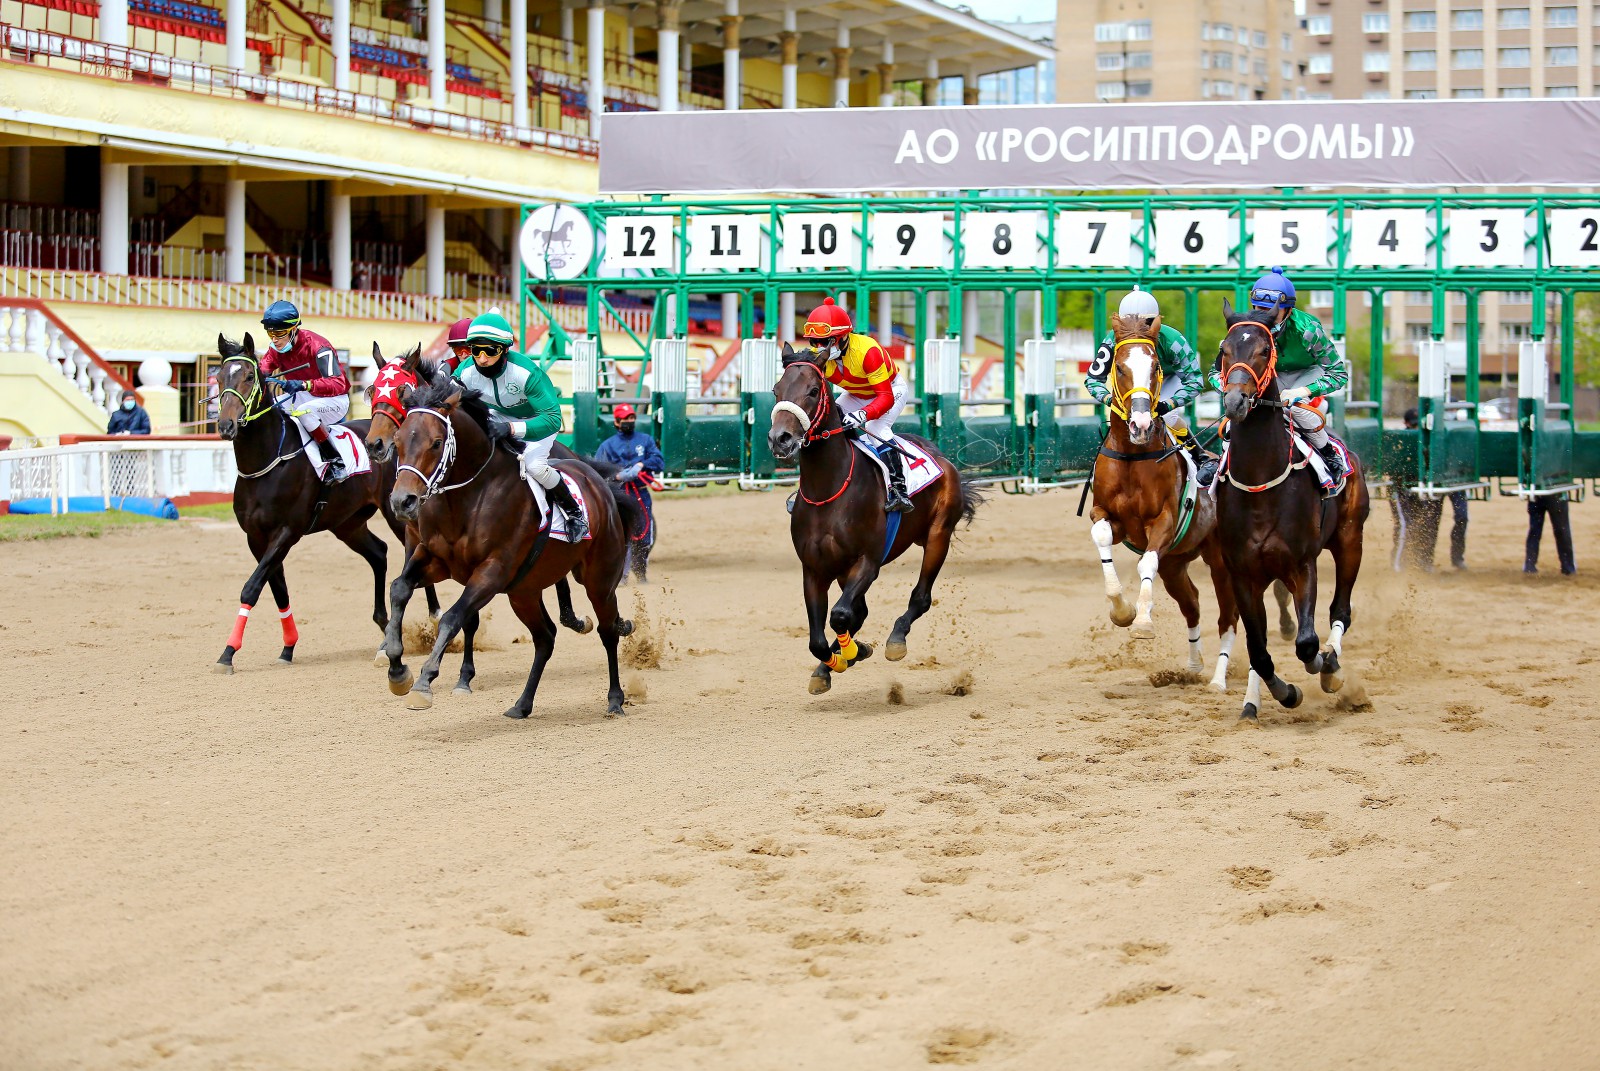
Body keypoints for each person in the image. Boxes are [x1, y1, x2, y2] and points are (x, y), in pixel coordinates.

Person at [451, 308, 587, 540]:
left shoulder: (526, 372)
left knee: (534, 466)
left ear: (504, 350)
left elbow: (553, 418)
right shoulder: (465, 370)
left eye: (490, 350)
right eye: (476, 350)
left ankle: (574, 512)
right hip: (498, 415)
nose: (482, 358)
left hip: (537, 420)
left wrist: (512, 429)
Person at [1215, 267, 1348, 494]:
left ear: (1287, 310)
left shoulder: (1308, 331)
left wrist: (1304, 391)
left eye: (1271, 311)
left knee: (1296, 411)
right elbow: (1215, 372)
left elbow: (1338, 374)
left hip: (1305, 372)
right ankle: (1221, 462)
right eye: (1259, 308)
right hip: (1269, 374)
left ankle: (1330, 456)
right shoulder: (1244, 330)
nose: (1263, 315)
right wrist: (1230, 388)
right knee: (1234, 420)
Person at [1086, 288, 1215, 486]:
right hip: (1133, 385)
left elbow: (1195, 380)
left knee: (1169, 417)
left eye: (1146, 324)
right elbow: (1093, 379)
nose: (1138, 329)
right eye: (1129, 324)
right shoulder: (1112, 340)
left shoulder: (1172, 340)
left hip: (1167, 380)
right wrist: (1110, 400)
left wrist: (1170, 403)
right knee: (1120, 417)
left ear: (1155, 322)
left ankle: (1200, 457)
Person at [802, 297, 913, 513]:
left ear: (843, 337)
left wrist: (863, 414)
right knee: (827, 427)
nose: (819, 347)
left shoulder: (868, 351)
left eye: (825, 341)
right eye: (814, 342)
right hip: (855, 393)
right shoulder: (820, 357)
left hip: (890, 390)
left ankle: (899, 490)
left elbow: (885, 398)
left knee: (875, 428)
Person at [258, 299, 351, 483]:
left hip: (335, 400)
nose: (274, 339)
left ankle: (336, 461)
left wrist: (304, 385)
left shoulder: (319, 347)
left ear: (293, 330)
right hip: (304, 396)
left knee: (304, 413)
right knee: (269, 409)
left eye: (279, 334)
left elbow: (339, 383)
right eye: (270, 334)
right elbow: (262, 371)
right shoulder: (276, 349)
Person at [595, 403, 665, 580]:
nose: (630, 421)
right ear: (617, 422)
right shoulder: (607, 446)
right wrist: (617, 477)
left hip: (641, 493)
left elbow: (659, 460)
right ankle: (622, 575)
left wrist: (641, 465)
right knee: (621, 534)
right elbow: (597, 473)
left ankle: (641, 574)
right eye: (626, 418)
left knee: (644, 534)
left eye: (632, 418)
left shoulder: (646, 440)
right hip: (619, 496)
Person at [1525, 495, 1577, 575]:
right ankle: (1568, 567)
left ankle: (1529, 565)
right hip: (1548, 493)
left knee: (1536, 531)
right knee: (1560, 530)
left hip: (1542, 492)